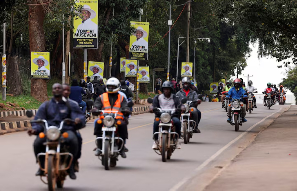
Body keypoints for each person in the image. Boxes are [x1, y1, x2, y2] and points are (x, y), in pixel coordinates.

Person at [27, 83, 86, 179]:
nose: (57, 90)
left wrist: (77, 120)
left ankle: (71, 166)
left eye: (59, 88)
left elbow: (79, 116)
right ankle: (41, 166)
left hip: (65, 131)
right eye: (55, 88)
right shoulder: (46, 105)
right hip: (49, 132)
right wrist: (34, 129)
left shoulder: (71, 104)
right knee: (37, 142)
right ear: (52, 90)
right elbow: (39, 119)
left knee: (73, 140)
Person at [93, 77, 131, 158]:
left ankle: (122, 146)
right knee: (97, 122)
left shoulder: (121, 97)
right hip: (105, 119)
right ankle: (99, 146)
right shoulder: (102, 97)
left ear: (117, 86)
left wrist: (126, 110)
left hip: (117, 119)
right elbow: (97, 105)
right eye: (109, 86)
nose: (111, 88)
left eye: (113, 87)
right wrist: (95, 109)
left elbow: (125, 106)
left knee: (123, 125)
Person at [150, 81, 181, 149]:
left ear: (171, 89)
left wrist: (182, 107)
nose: (166, 90)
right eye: (165, 89)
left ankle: (177, 140)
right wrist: (152, 108)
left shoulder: (175, 97)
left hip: (172, 116)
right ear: (162, 89)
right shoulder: (158, 97)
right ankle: (155, 141)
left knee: (177, 122)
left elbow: (179, 105)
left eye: (168, 89)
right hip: (161, 116)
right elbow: (153, 105)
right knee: (156, 123)